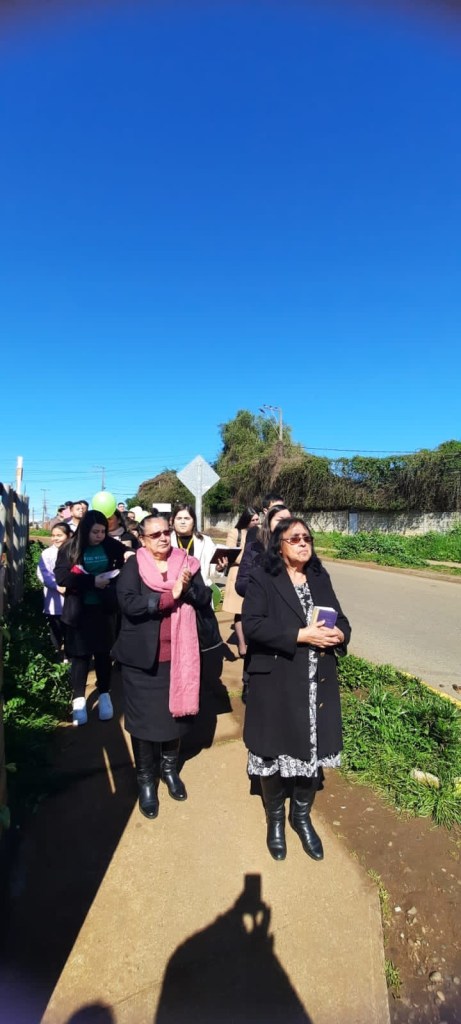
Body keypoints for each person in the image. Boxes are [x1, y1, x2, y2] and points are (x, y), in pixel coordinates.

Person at [242, 517, 351, 862]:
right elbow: (253, 625)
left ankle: (300, 817)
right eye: (295, 539)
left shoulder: (319, 576)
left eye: (307, 538)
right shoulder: (263, 577)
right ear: (279, 545)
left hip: (317, 680)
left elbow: (341, 618)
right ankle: (275, 820)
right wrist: (301, 635)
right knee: (272, 750)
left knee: (312, 750)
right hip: (277, 679)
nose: (303, 543)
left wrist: (340, 634)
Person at [112, 514, 212, 819]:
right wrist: (168, 597)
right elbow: (128, 603)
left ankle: (169, 770)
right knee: (143, 724)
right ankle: (146, 780)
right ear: (142, 539)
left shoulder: (186, 563)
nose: (163, 537)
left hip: (178, 658)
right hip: (142, 661)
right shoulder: (134, 566)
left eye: (166, 532)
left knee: (175, 720)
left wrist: (187, 588)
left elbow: (205, 597)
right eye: (155, 534)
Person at [54, 510, 125, 726]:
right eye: (95, 532)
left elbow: (126, 553)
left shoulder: (109, 544)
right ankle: (78, 699)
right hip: (79, 611)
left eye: (103, 531)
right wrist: (92, 582)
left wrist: (129, 555)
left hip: (104, 610)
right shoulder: (70, 547)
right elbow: (62, 577)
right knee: (80, 656)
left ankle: (104, 694)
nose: (100, 536)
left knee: (103, 654)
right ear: (85, 530)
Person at [222, 507, 260, 656]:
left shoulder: (260, 533)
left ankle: (253, 641)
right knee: (239, 611)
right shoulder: (235, 533)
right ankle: (242, 644)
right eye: (253, 520)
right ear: (246, 520)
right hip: (238, 574)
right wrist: (250, 556)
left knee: (254, 609)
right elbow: (231, 554)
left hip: (255, 575)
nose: (256, 522)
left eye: (257, 519)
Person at [235, 505, 292, 598]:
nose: (285, 524)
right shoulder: (255, 547)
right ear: (269, 522)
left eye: (289, 520)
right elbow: (242, 585)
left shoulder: (300, 546)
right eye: (280, 520)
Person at [36, 521, 72, 656]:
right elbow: (43, 574)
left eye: (59, 535)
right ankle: (56, 654)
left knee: (70, 628)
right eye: (53, 535)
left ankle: (69, 655)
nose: (55, 538)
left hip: (71, 596)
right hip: (54, 597)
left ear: (68, 536)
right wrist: (57, 587)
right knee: (55, 627)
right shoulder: (47, 553)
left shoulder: (74, 552)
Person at [170, 504, 226, 585]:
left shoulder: (206, 541)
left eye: (187, 518)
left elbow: (212, 573)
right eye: (179, 518)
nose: (182, 522)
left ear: (194, 521)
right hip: (174, 588)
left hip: (199, 588)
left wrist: (219, 568)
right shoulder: (167, 541)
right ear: (173, 521)